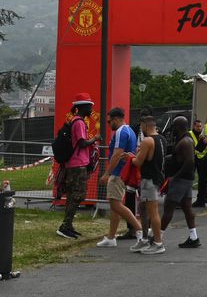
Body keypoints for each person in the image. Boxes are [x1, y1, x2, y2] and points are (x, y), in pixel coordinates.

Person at [96, 107, 144, 248]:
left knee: (116, 205)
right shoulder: (130, 131)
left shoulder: (120, 132)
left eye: (110, 121)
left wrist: (107, 173)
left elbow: (117, 154)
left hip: (117, 174)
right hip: (123, 173)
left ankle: (140, 230)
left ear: (116, 119)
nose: (109, 124)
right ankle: (111, 237)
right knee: (115, 205)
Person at [55, 92, 98, 239]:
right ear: (81, 107)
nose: (91, 109)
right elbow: (82, 143)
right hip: (77, 164)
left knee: (74, 195)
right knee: (78, 195)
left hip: (73, 163)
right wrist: (95, 139)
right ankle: (65, 226)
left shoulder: (74, 120)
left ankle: (68, 225)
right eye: (89, 106)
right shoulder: (79, 122)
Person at [161, 116, 201, 248]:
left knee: (168, 207)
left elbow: (190, 161)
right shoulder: (185, 140)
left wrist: (176, 177)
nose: (172, 129)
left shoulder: (186, 142)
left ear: (179, 127)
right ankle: (193, 237)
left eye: (174, 126)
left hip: (181, 179)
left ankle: (156, 237)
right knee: (186, 207)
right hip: (186, 179)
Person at [129, 112, 166, 255]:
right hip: (157, 176)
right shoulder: (161, 139)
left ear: (144, 125)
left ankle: (158, 243)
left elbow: (138, 161)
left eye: (141, 126)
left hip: (149, 179)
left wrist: (131, 157)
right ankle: (145, 239)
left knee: (152, 211)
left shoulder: (147, 141)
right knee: (143, 207)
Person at [188, 119, 207, 206]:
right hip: (192, 158)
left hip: (202, 158)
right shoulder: (189, 134)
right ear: (193, 126)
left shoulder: (203, 135)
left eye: (200, 126)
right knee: (189, 178)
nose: (199, 128)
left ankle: (205, 197)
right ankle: (187, 198)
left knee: (203, 179)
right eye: (197, 126)